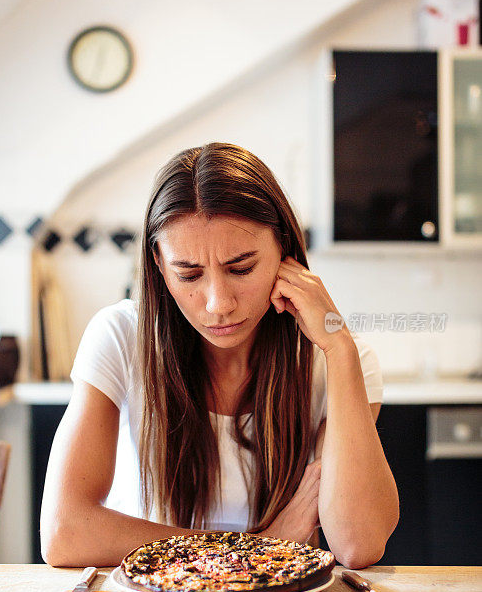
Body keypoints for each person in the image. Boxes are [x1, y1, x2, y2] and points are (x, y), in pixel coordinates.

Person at [40, 142, 399, 568]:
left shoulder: (333, 360)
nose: (218, 304)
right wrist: (256, 546)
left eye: (241, 268)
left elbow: (358, 544)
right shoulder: (120, 337)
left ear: (284, 251)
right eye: (189, 274)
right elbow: (65, 532)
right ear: (157, 264)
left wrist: (339, 347)